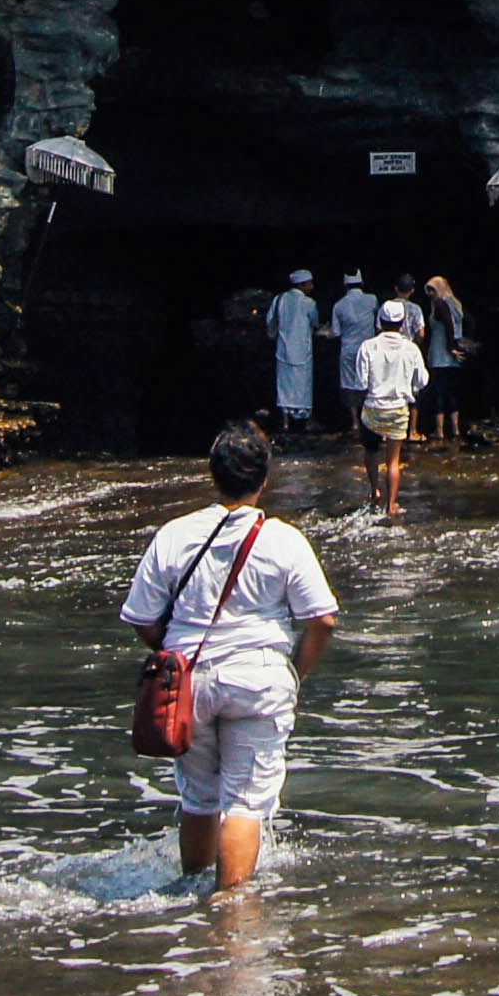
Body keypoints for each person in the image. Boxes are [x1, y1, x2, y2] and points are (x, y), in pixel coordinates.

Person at [118, 423, 339, 894]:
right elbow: (322, 619)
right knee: (245, 803)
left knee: (199, 798)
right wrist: (295, 673)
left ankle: (190, 901)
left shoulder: (174, 535)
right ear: (265, 479)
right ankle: (230, 911)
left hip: (190, 679)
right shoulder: (285, 540)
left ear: (212, 475)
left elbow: (141, 617)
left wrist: (172, 656)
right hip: (259, 677)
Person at [351, 298, 431, 516]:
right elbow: (423, 380)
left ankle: (374, 490)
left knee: (371, 452)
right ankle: (392, 505)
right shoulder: (411, 349)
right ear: (403, 322)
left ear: (380, 321)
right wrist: (410, 387)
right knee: (393, 461)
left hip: (372, 408)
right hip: (398, 409)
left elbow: (361, 384)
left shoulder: (367, 346)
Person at [321, 271, 378, 435]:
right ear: (362, 283)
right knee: (370, 382)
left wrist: (324, 332)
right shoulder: (372, 300)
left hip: (348, 350)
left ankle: (354, 422)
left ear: (345, 285)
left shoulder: (339, 305)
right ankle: (369, 419)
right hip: (369, 349)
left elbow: (335, 332)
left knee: (349, 384)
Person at [417, 272, 471, 440]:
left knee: (440, 393)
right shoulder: (456, 304)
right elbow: (469, 321)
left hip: (441, 354)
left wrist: (451, 346)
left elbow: (448, 325)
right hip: (454, 357)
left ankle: (439, 430)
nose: (429, 294)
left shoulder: (440, 304)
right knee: (451, 392)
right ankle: (455, 428)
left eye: (432, 290)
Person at [264, 269, 318, 432]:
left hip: (283, 348)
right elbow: (315, 322)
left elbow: (270, 320)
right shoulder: (309, 303)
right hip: (302, 349)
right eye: (309, 283)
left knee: (284, 386)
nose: (312, 286)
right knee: (303, 385)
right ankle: (306, 421)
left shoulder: (279, 299)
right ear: (301, 285)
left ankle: (286, 421)